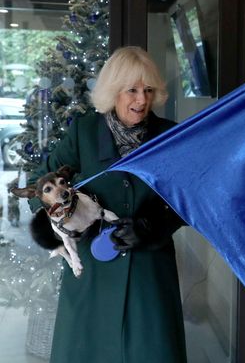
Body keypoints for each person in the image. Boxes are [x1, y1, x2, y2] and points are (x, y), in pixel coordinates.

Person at [28, 46, 187, 363]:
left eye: (148, 90)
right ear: (114, 91)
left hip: (149, 270)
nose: (141, 100)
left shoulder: (169, 135)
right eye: (131, 90)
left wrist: (153, 225)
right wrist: (62, 221)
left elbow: (188, 197)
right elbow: (39, 183)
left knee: (151, 351)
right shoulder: (84, 132)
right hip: (93, 270)